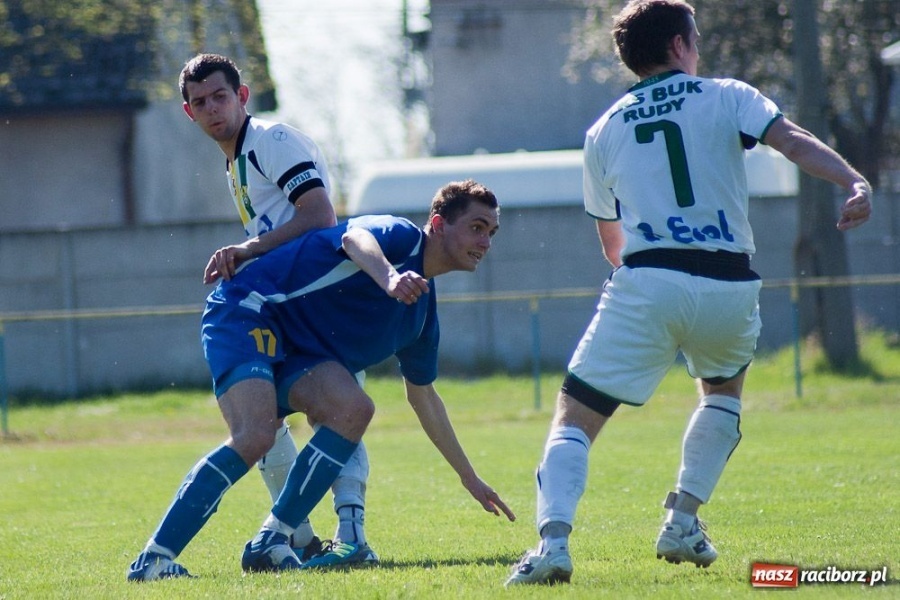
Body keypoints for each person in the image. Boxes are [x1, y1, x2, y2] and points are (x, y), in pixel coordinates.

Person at [506, 0, 872, 586]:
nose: (698, 48)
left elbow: (611, 242)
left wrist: (651, 289)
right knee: (722, 392)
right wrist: (853, 179)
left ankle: (552, 545)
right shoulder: (727, 94)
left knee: (574, 416)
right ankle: (682, 520)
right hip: (729, 281)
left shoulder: (604, 128)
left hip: (649, 277)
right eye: (695, 37)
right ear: (679, 44)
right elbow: (794, 141)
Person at [127, 179, 516, 580]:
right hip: (248, 307)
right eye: (476, 227)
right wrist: (389, 278)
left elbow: (425, 398)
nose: (485, 241)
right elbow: (354, 237)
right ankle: (154, 559)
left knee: (353, 409)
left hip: (295, 348)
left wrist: (468, 477)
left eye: (491, 232)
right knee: (256, 434)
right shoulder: (401, 238)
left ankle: (271, 540)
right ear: (438, 223)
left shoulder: (420, 315)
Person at [179, 53, 375, 566]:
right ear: (189, 112)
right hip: (288, 301)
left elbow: (319, 214)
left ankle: (352, 533)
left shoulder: (271, 140)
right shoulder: (236, 160)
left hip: (321, 293)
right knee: (263, 418)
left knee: (337, 408)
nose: (212, 108)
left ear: (242, 97)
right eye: (200, 102)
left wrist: (248, 251)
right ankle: (303, 536)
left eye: (221, 96)